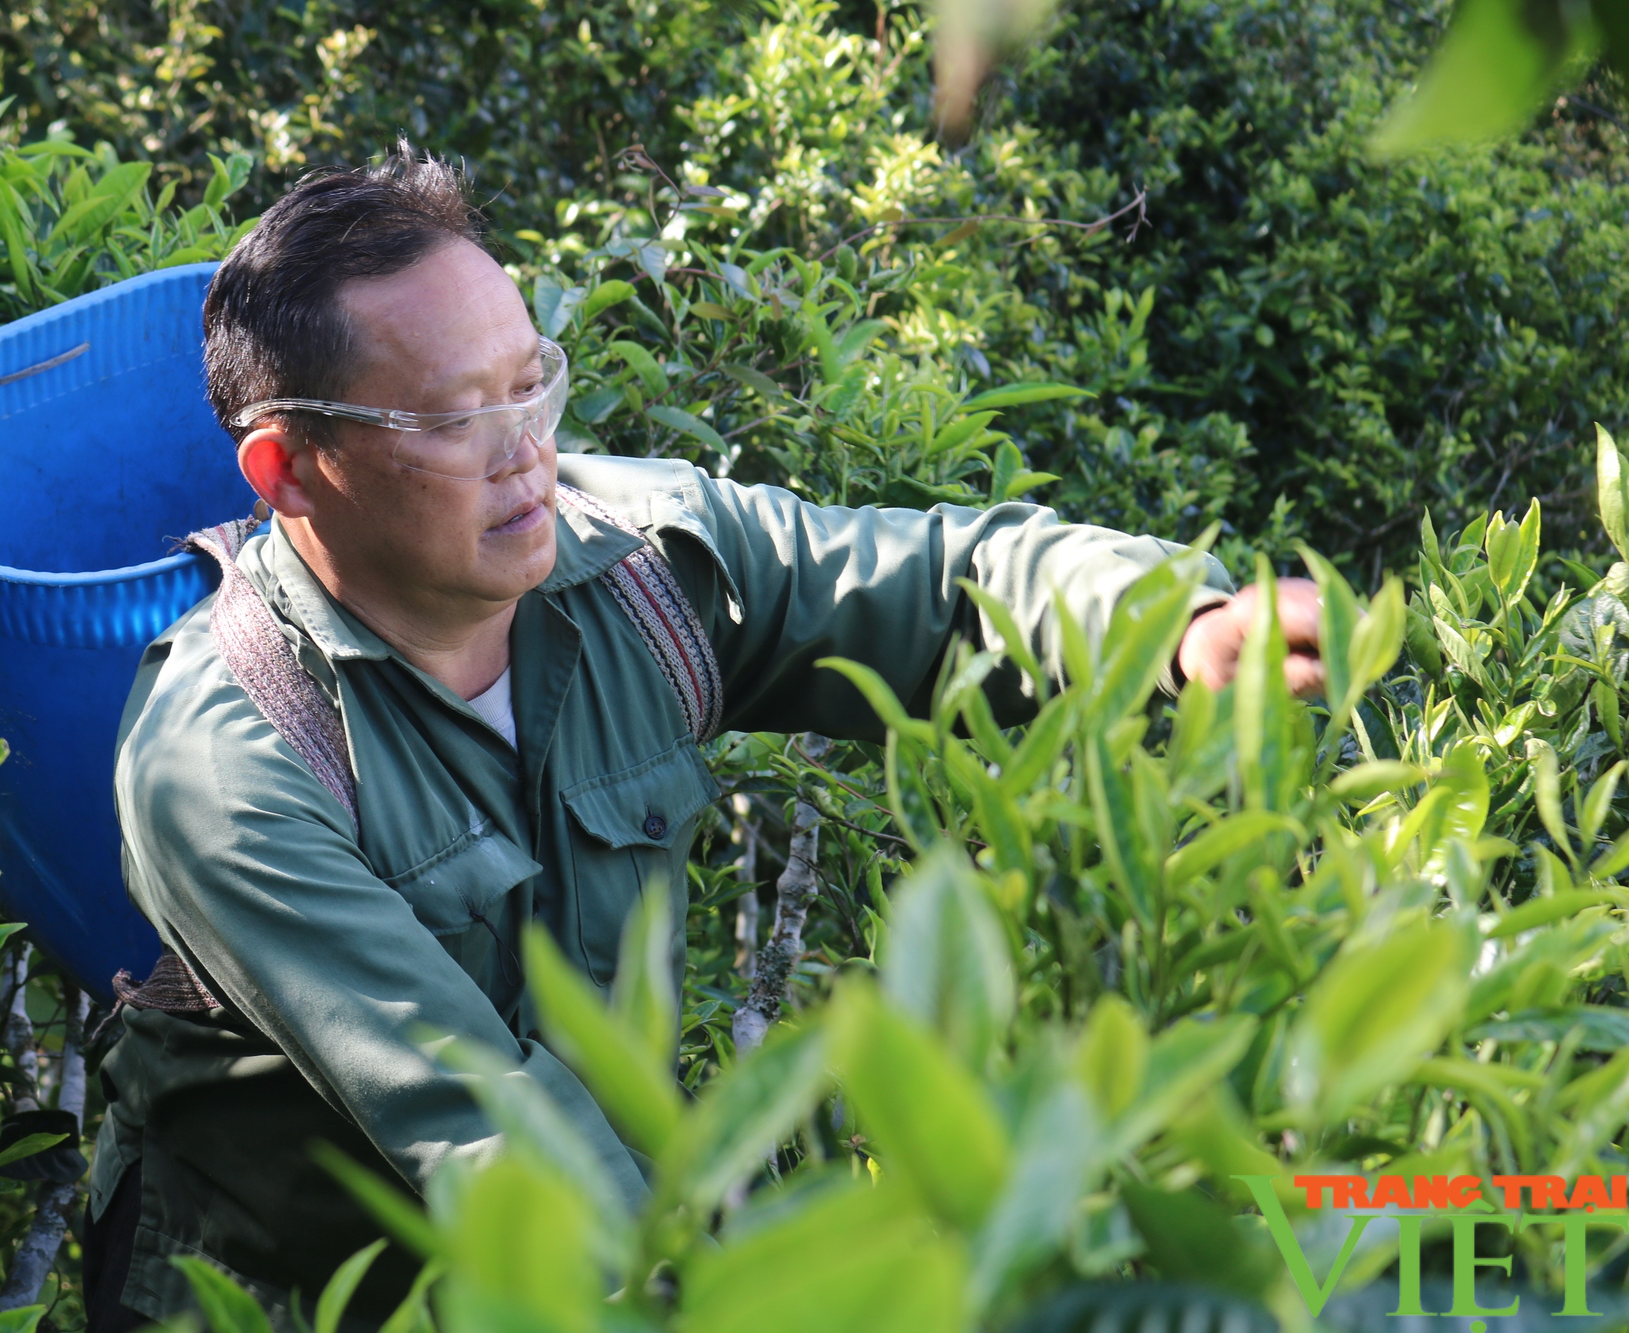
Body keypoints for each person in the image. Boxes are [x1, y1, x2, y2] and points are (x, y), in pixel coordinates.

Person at [83, 143, 1322, 1330]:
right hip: (287, 1293)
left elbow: (943, 581)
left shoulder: (636, 564)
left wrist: (1178, 626)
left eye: (531, 382)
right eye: (453, 419)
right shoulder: (229, 760)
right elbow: (485, 1122)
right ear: (290, 471)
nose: (527, 451)